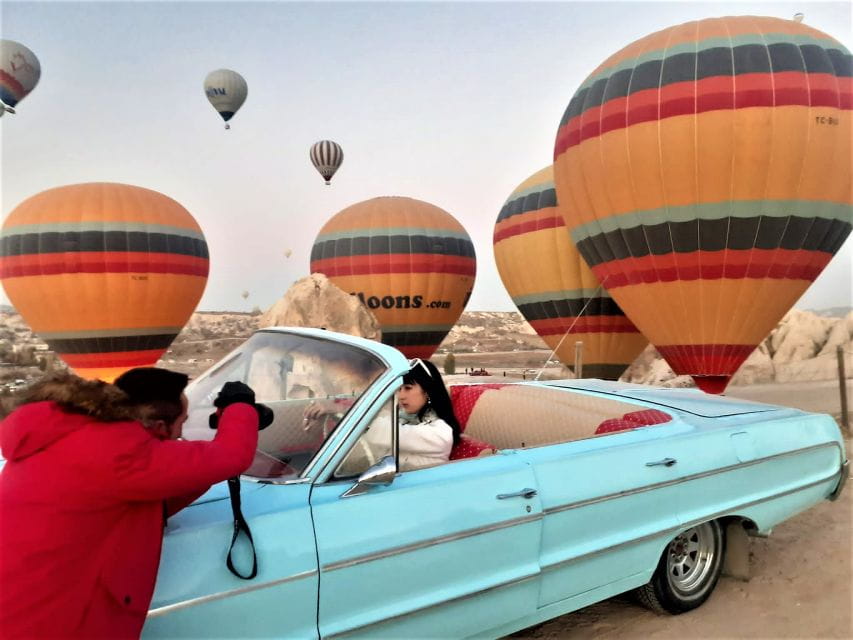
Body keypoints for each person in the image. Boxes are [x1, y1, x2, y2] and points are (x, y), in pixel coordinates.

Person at [0, 368, 268, 639]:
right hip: (53, 624)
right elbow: (233, 455)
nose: (181, 434)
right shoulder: (118, 452)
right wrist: (240, 407)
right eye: (182, 423)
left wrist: (202, 472)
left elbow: (135, 504)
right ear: (160, 426)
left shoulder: (72, 436)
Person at [304, 357, 461, 471]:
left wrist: (341, 411)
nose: (401, 396)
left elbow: (387, 432)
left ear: (427, 391)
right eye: (398, 389)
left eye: (407, 388)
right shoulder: (400, 418)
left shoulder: (441, 432)